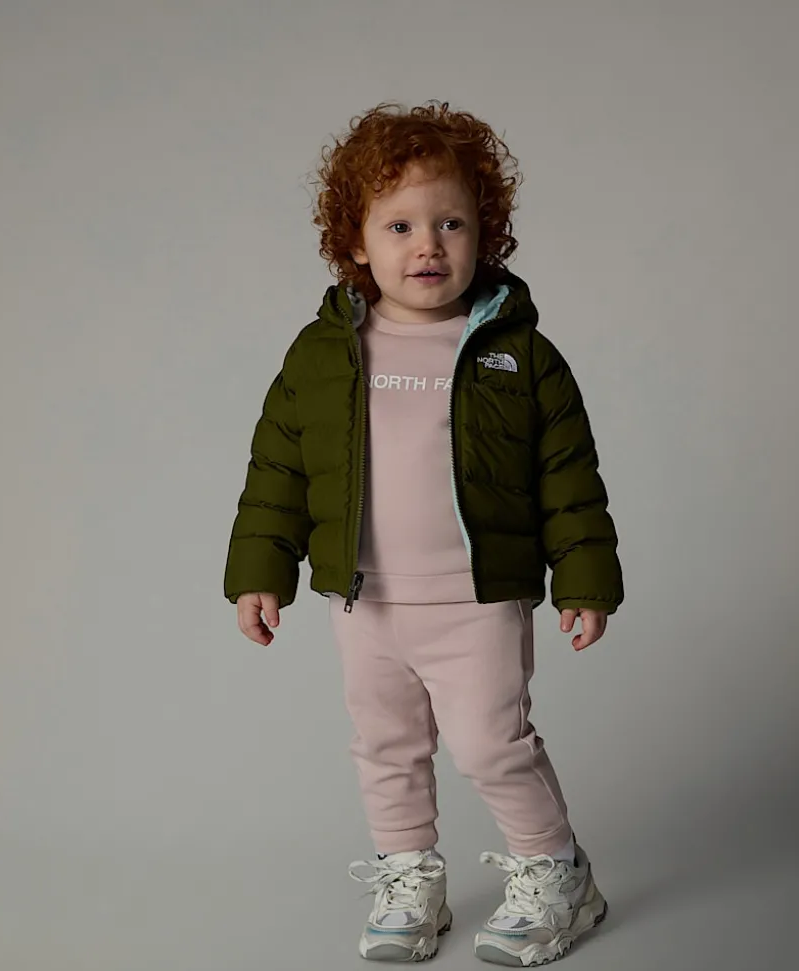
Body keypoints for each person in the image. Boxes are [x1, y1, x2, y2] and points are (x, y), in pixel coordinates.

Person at [223, 101, 624, 966]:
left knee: (492, 745)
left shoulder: (518, 353)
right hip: (365, 601)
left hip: (477, 601)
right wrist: (262, 570)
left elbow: (568, 474)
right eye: (400, 225)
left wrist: (585, 578)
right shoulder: (324, 354)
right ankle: (410, 879)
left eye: (452, 223)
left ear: (486, 234)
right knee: (386, 746)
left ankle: (559, 873)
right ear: (356, 242)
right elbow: (277, 469)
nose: (428, 245)